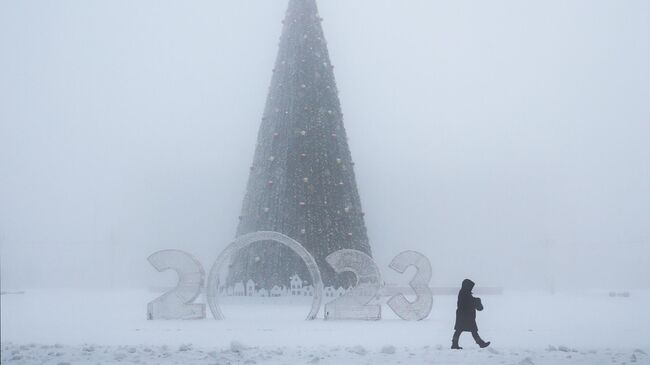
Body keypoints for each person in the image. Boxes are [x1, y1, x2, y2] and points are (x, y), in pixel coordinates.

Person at [451, 279, 490, 349]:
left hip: (465, 315)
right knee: (464, 330)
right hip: (464, 315)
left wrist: (475, 300)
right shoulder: (464, 293)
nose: (471, 288)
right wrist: (476, 301)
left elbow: (469, 301)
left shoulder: (465, 292)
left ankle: (455, 344)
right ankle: (480, 343)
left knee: (467, 330)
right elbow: (467, 302)